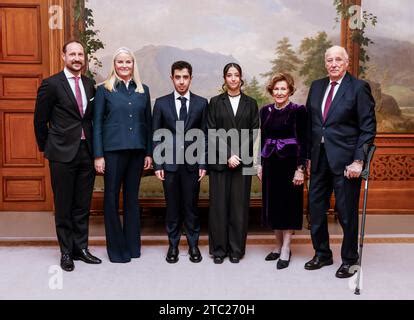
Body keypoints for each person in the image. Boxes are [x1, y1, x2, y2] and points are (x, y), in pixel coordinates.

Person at [304, 45, 376, 278]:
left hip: (346, 163)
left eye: (338, 59)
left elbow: (367, 129)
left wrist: (359, 161)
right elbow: (310, 126)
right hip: (318, 159)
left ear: (346, 62)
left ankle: (349, 259)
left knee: (346, 213)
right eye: (329, 60)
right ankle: (322, 254)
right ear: (325, 63)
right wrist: (306, 157)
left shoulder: (358, 88)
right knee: (315, 210)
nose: (333, 64)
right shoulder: (316, 87)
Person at [34, 40, 101, 272]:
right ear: (63, 56)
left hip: (87, 152)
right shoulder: (51, 84)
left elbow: (91, 119)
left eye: (80, 54)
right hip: (61, 153)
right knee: (64, 205)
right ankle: (65, 252)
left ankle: (81, 248)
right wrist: (48, 148)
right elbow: (40, 121)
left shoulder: (90, 84)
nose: (76, 58)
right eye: (72, 54)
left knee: (82, 205)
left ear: (85, 58)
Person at [93, 47, 152, 263]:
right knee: (110, 199)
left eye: (128, 62)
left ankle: (132, 246)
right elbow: (97, 123)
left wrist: (148, 152)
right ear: (114, 65)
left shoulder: (143, 90)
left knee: (131, 200)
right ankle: (117, 250)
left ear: (133, 64)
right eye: (120, 62)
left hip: (136, 153)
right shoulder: (104, 90)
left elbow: (148, 123)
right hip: (112, 153)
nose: (124, 65)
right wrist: (98, 155)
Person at [152, 61, 208, 264]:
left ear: (190, 78)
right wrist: (158, 164)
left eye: (185, 77)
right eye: (178, 77)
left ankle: (193, 246)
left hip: (193, 165)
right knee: (173, 208)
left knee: (191, 208)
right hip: (169, 165)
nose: (182, 81)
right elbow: (156, 135)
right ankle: (173, 246)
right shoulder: (161, 103)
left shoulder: (202, 103)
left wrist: (203, 163)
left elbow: (205, 136)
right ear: (172, 78)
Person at [207, 62, 259, 264]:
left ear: (241, 77)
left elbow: (254, 133)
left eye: (236, 75)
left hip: (243, 163)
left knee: (239, 208)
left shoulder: (251, 103)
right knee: (219, 208)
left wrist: (238, 156)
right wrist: (228, 155)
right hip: (220, 163)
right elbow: (211, 131)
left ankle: (236, 249)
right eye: (229, 75)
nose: (233, 78)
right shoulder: (215, 102)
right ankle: (219, 250)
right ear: (224, 78)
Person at [257, 73, 307, 269]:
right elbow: (262, 140)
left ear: (290, 91)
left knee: (288, 206)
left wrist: (300, 169)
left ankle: (286, 247)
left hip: (290, 165)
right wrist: (260, 164)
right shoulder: (265, 111)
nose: (279, 92)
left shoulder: (298, 111)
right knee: (274, 206)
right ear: (271, 90)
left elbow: (304, 141)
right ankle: (277, 246)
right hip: (270, 163)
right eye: (276, 89)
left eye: (283, 89)